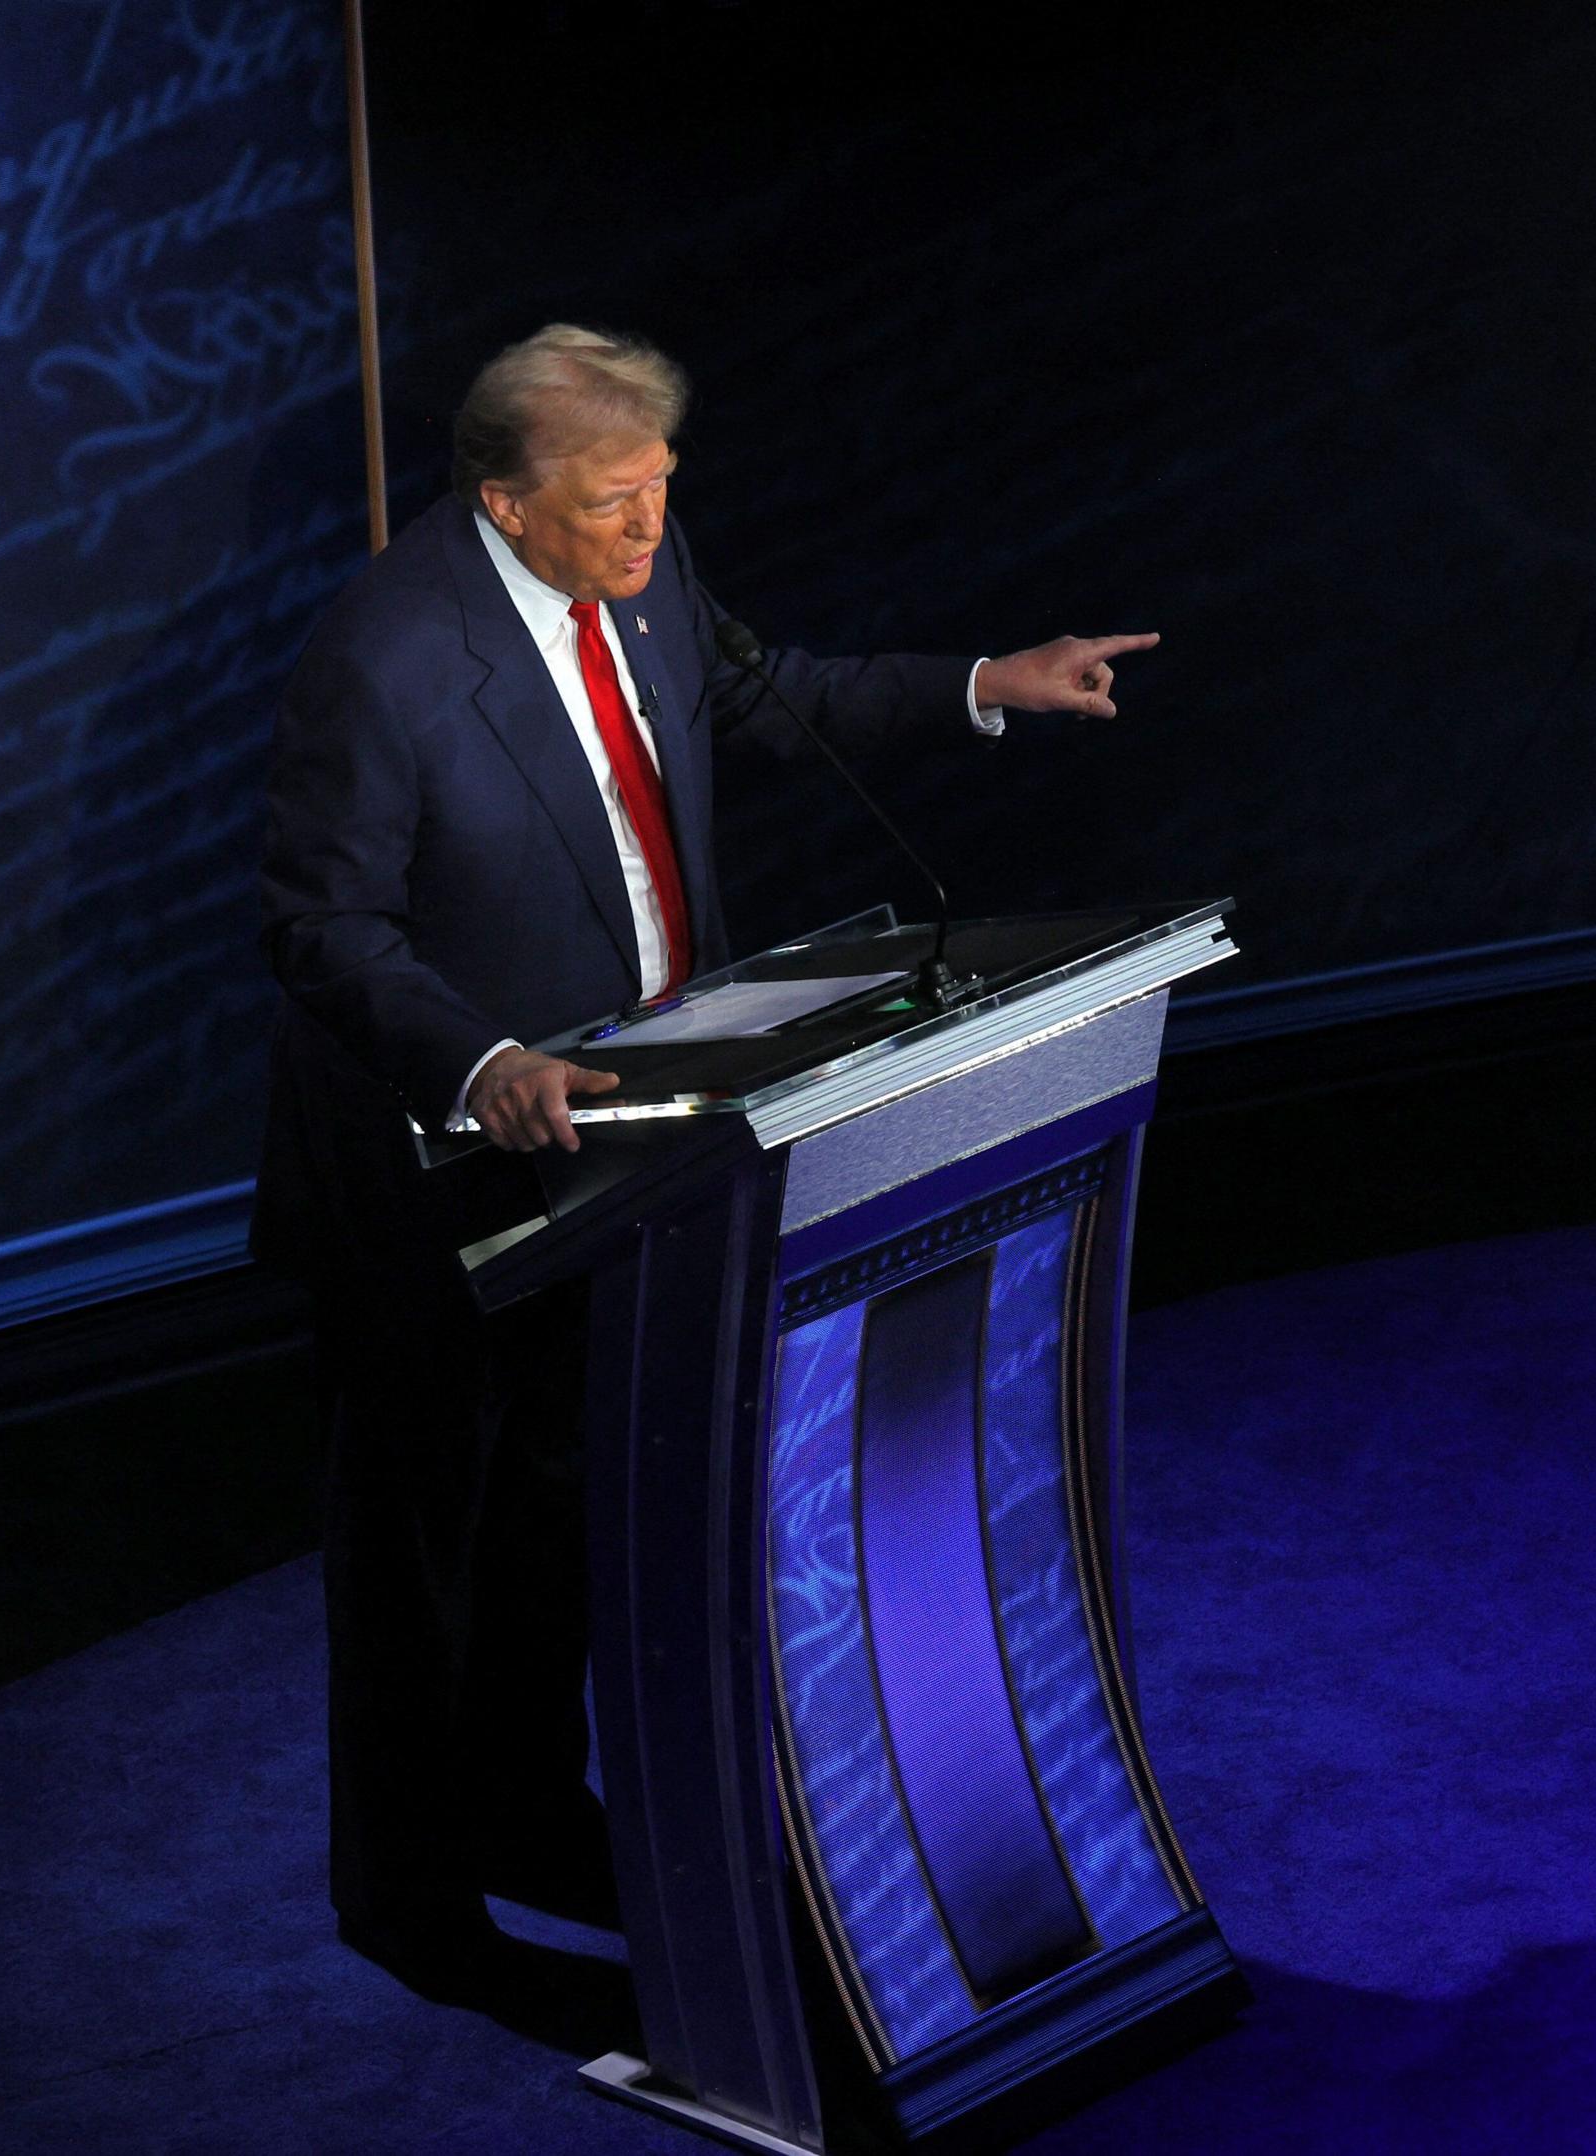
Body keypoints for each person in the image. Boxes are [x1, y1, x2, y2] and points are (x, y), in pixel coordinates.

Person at [253, 324, 1156, 2013]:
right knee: (420, 1555)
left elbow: (769, 692)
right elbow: (320, 927)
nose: (651, 528)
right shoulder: (383, 657)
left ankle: (526, 1811)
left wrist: (980, 683)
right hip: (434, 1179)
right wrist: (480, 1060)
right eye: (616, 503)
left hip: (634, 1146)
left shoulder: (649, 565)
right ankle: (407, 1900)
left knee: (554, 1520)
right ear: (509, 507)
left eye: (665, 490)